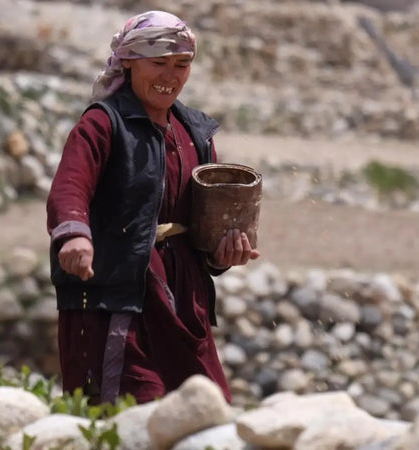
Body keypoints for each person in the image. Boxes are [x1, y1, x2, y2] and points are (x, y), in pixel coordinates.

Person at [46, 10, 259, 405]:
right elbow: (70, 186)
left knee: (204, 411)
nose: (170, 76)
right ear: (128, 62)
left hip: (183, 300)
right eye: (158, 63)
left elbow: (204, 222)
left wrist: (223, 252)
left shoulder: (195, 134)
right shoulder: (103, 124)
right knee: (127, 408)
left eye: (182, 65)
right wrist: (75, 235)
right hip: (119, 296)